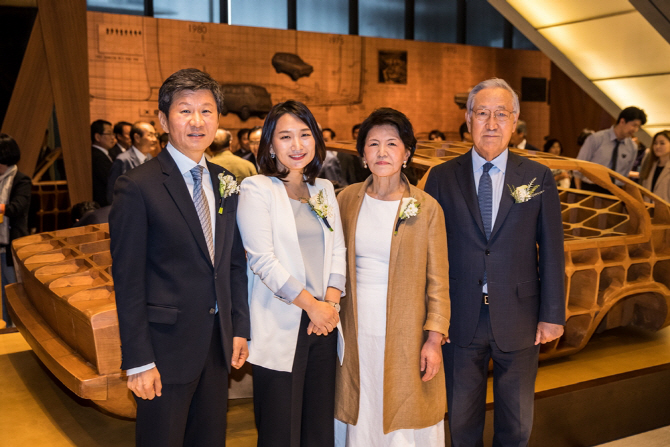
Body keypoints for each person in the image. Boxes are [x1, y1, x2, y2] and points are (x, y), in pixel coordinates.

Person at [109, 68, 250, 447]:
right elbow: (128, 279)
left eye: (206, 110)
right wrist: (138, 360)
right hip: (164, 348)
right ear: (162, 120)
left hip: (216, 347)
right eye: (185, 110)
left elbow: (232, 264)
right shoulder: (138, 186)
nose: (196, 120)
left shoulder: (225, 183)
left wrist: (239, 327)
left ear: (218, 120)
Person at [425, 78, 565, 447]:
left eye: (501, 114)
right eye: (482, 113)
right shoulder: (441, 178)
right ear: (468, 118)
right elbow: (428, 252)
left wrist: (552, 314)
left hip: (520, 317)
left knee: (516, 424)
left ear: (515, 120)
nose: (491, 123)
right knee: (461, 420)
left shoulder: (536, 177)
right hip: (459, 319)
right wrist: (432, 318)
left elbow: (551, 248)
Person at [334, 108, 450, 445]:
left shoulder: (426, 208)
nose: (382, 152)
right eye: (373, 144)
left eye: (392, 144)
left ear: (407, 153)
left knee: (405, 407)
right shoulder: (346, 200)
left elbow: (439, 280)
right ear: (363, 155)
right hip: (356, 328)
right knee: (362, 403)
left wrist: (434, 337)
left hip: (407, 330)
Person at [237, 100, 346, 447]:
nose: (297, 145)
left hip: (324, 322)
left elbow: (338, 251)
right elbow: (263, 260)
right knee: (279, 430)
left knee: (318, 427)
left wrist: (329, 304)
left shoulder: (324, 189)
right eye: (286, 137)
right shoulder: (257, 189)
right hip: (282, 321)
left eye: (304, 134)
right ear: (270, 144)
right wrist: (310, 305)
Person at [574, 107, 647, 193]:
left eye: (638, 126)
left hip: (616, 191)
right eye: (634, 125)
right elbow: (578, 167)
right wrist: (578, 191)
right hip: (591, 188)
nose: (635, 130)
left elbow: (625, 176)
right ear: (622, 121)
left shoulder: (632, 147)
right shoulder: (596, 139)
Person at [0, 134, 31, 327]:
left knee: (14, 288)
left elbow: (17, 208)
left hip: (11, 242)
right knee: (3, 289)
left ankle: (18, 327)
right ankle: (6, 323)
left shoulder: (21, 180)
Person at [106, 121, 157, 204]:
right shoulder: (123, 160)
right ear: (137, 137)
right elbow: (112, 194)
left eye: (155, 135)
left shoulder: (150, 158)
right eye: (150, 135)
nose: (154, 139)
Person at [639, 130, 670, 202]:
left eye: (662, 143)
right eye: (655, 143)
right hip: (647, 208)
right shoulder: (650, 164)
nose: (657, 146)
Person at [91, 119, 115, 207]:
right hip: (102, 204)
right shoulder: (97, 157)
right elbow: (110, 180)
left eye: (113, 134)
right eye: (109, 133)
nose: (113, 137)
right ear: (97, 137)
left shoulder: (106, 154)